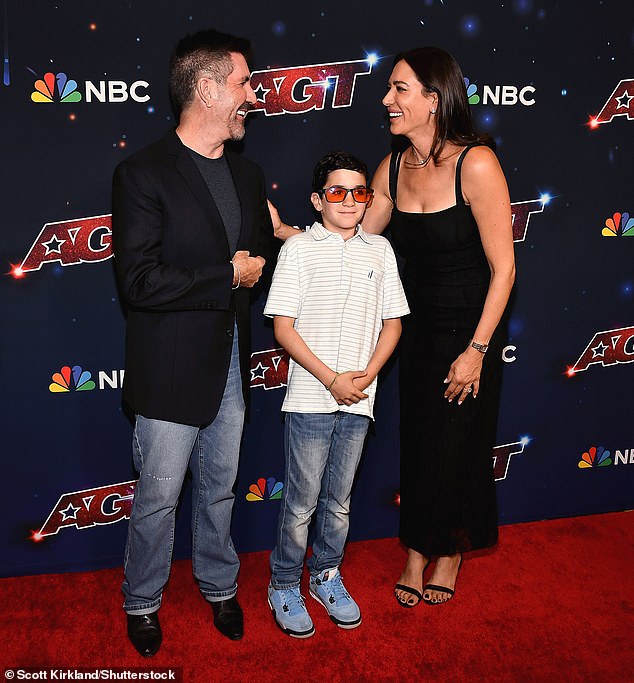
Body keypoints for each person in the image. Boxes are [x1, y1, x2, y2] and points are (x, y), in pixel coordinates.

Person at [112, 28, 275, 656]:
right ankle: (142, 600)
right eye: (242, 83)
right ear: (206, 89)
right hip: (169, 366)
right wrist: (224, 274)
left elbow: (258, 256)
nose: (252, 97)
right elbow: (139, 280)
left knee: (220, 485)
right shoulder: (143, 173)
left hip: (232, 360)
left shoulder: (249, 173)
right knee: (157, 496)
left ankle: (217, 583)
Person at [361, 47, 516, 607]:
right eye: (389, 88)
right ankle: (415, 550)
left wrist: (477, 349)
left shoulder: (476, 163)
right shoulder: (393, 166)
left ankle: (448, 552)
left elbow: (505, 270)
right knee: (420, 440)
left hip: (472, 328)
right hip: (416, 331)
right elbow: (355, 236)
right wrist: (291, 238)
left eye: (400, 89)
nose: (387, 100)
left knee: (460, 445)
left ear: (434, 98)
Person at [263, 151, 409, 637]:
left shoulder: (380, 251)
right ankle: (284, 582)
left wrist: (366, 375)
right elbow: (283, 328)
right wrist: (332, 379)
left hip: (360, 398)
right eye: (337, 191)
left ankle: (326, 574)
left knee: (339, 501)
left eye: (360, 192)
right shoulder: (299, 250)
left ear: (369, 198)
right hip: (310, 397)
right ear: (317, 198)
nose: (349, 201)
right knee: (301, 501)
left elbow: (393, 324)